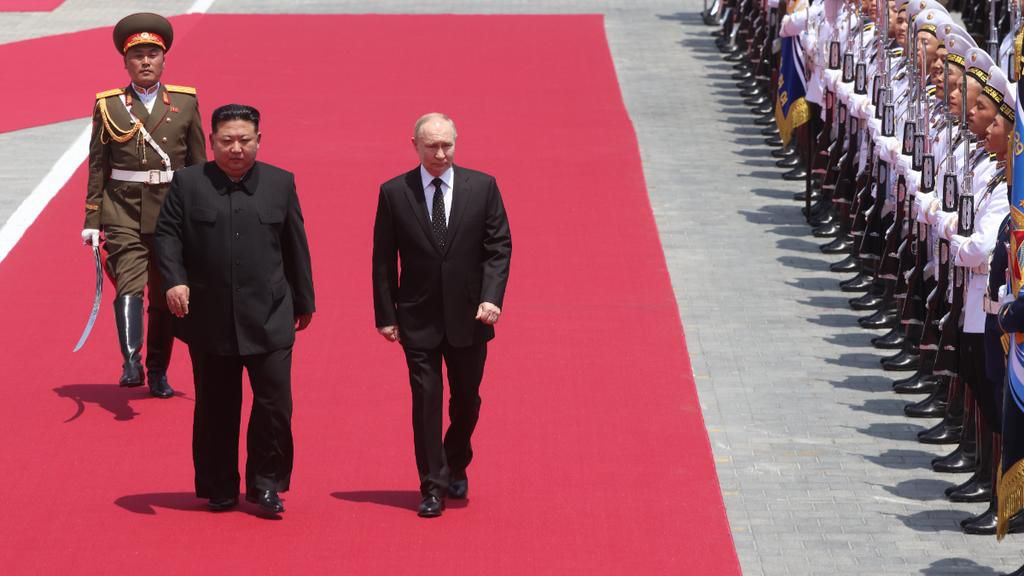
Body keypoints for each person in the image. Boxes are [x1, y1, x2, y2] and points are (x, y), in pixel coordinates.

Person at [154, 104, 315, 514]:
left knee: (274, 405)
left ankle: (266, 484)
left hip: (270, 315)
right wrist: (175, 280)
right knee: (215, 406)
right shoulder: (188, 184)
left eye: (245, 140)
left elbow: (295, 245)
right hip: (211, 318)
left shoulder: (281, 183)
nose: (237, 149)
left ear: (259, 140)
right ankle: (219, 486)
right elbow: (168, 236)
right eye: (227, 141)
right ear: (212, 143)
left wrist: (304, 301)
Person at [372, 113, 512, 518]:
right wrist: (386, 313)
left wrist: (492, 297)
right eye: (431, 145)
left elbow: (498, 246)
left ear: (456, 142)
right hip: (417, 317)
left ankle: (456, 461)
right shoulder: (395, 192)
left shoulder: (482, 187)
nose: (440, 153)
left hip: (472, 317)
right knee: (426, 401)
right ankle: (432, 485)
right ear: (414, 144)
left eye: (446, 145)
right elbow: (383, 258)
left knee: (466, 401)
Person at [80, 13, 206, 398]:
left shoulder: (184, 103)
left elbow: (198, 164)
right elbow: (99, 164)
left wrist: (204, 214)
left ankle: (158, 370)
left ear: (164, 58)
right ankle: (131, 360)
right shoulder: (109, 105)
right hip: (123, 211)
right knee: (130, 285)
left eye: (153, 53)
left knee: (167, 296)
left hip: (172, 213)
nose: (146, 61)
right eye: (138, 56)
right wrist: (92, 218)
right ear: (125, 62)